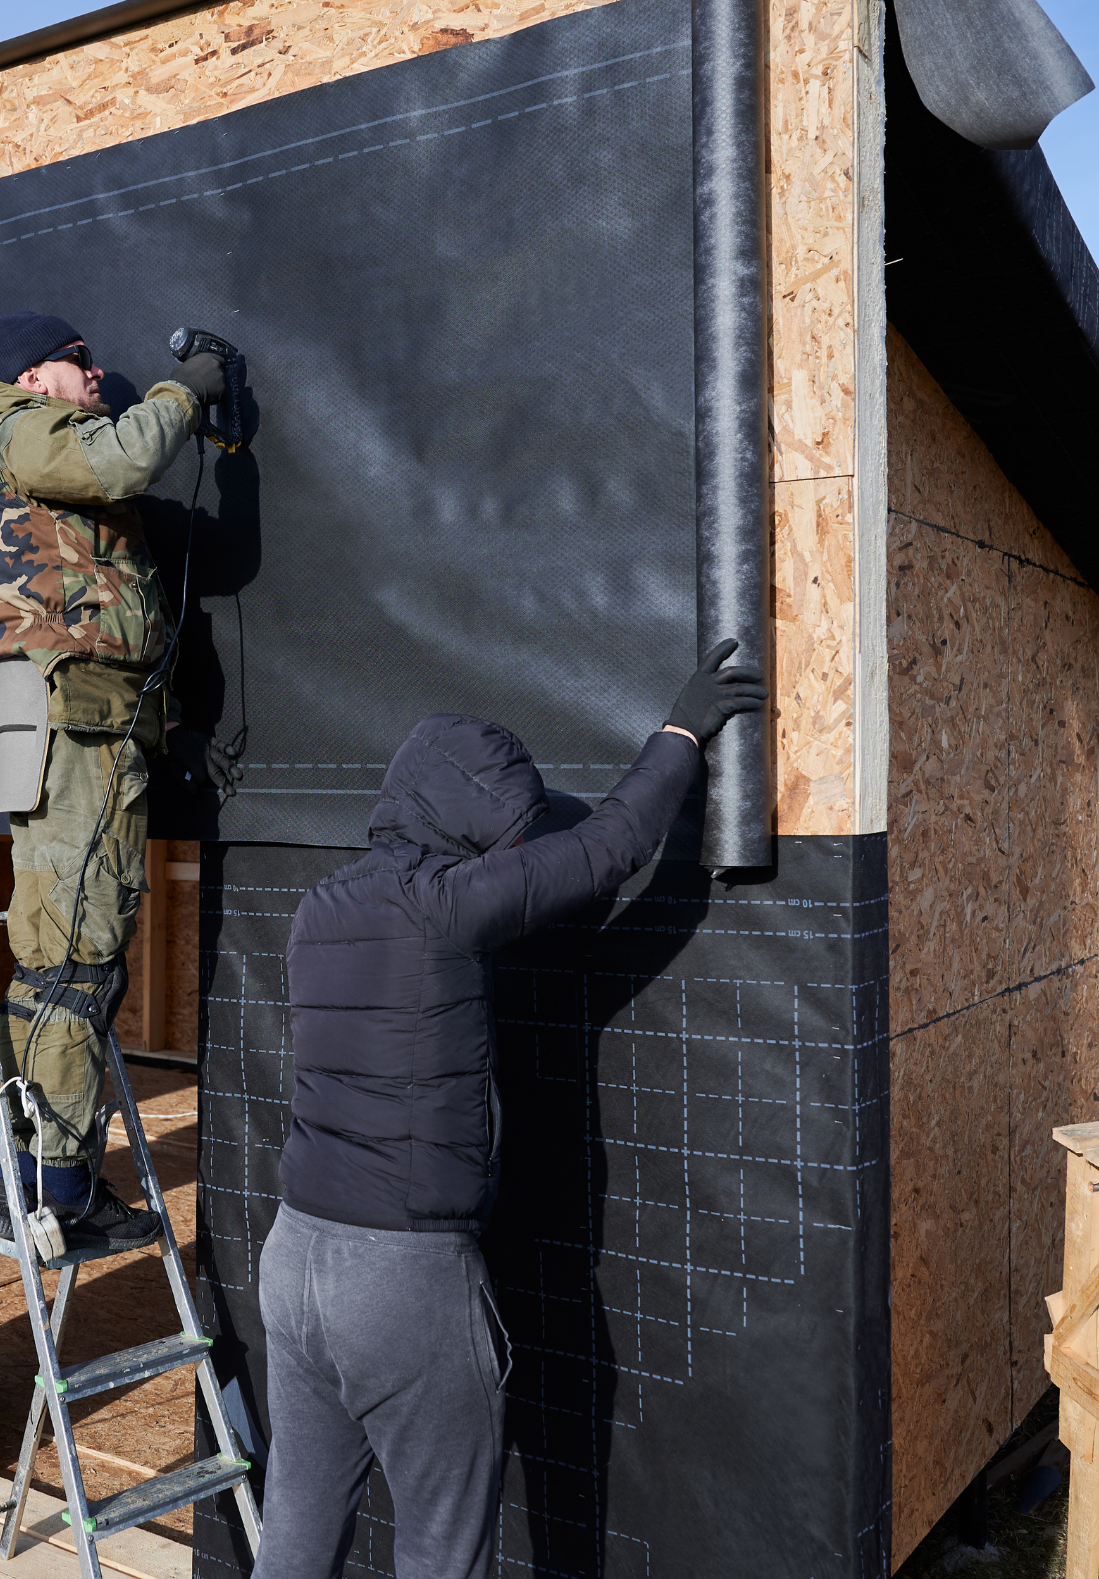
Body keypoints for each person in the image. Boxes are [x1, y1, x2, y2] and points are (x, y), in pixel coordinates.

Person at [253, 645, 768, 1579]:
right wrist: (683, 730)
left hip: (293, 1260)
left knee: (295, 1533)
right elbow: (615, 846)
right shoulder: (444, 911)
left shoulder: (315, 911)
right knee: (445, 1553)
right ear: (471, 818)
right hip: (400, 1279)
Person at [0, 308, 229, 1251]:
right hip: (75, 729)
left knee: (59, 960)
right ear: (36, 377)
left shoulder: (30, 446)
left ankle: (40, 1182)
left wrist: (173, 733)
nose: (97, 374)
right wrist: (182, 395)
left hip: (82, 726)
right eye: (82, 364)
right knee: (75, 963)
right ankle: (60, 1194)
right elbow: (121, 460)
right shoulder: (29, 431)